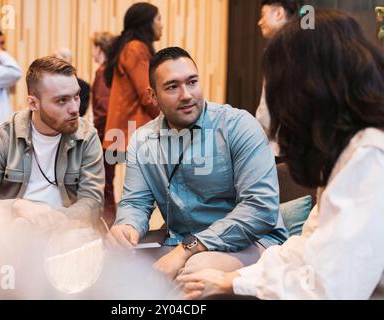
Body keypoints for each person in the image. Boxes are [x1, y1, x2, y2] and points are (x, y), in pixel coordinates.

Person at [178, 10, 384, 300]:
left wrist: (233, 282)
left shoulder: (368, 156)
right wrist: (232, 278)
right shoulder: (347, 152)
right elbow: (308, 245)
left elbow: (331, 289)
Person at [107, 47, 288, 282]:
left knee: (195, 269)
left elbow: (260, 208)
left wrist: (188, 249)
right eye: (172, 87)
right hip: (180, 243)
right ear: (153, 96)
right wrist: (127, 227)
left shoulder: (238, 126)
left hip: (253, 241)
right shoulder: (142, 140)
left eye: (192, 82)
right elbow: (136, 203)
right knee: (109, 263)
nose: (186, 95)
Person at [0, 56, 104, 230]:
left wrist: (53, 220)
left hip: (65, 233)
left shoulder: (87, 137)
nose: (75, 108)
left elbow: (92, 203)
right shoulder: (4, 135)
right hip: (12, 234)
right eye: (62, 100)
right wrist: (16, 207)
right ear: (33, 103)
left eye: (76, 96)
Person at [103, 2, 162, 154]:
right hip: (135, 128)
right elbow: (147, 95)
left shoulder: (132, 46)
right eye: (159, 19)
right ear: (147, 23)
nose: (162, 25)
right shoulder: (136, 48)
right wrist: (168, 118)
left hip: (132, 128)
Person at [256, 0, 298, 156]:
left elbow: (266, 110)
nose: (260, 22)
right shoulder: (306, 45)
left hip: (277, 147)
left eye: (263, 15)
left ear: (279, 13)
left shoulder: (278, 50)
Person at [91, 32, 117, 226]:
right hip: (112, 135)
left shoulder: (103, 72)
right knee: (107, 184)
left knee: (104, 185)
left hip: (105, 135)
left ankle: (107, 226)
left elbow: (103, 109)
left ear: (99, 48)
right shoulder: (113, 71)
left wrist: (96, 136)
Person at [53, 48, 90, 117]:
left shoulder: (83, 86)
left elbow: (81, 110)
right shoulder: (49, 84)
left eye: (55, 58)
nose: (52, 62)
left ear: (67, 60)